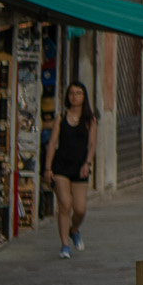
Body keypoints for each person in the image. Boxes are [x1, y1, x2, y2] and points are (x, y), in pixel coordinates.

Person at [46, 81, 97, 258]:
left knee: (80, 209)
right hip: (61, 166)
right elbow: (52, 143)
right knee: (65, 204)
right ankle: (64, 246)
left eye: (78, 93)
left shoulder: (90, 120)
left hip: (80, 168)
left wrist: (87, 163)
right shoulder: (60, 118)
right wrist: (47, 168)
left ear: (84, 97)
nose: (74, 96)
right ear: (68, 97)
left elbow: (92, 145)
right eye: (72, 93)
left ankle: (73, 229)